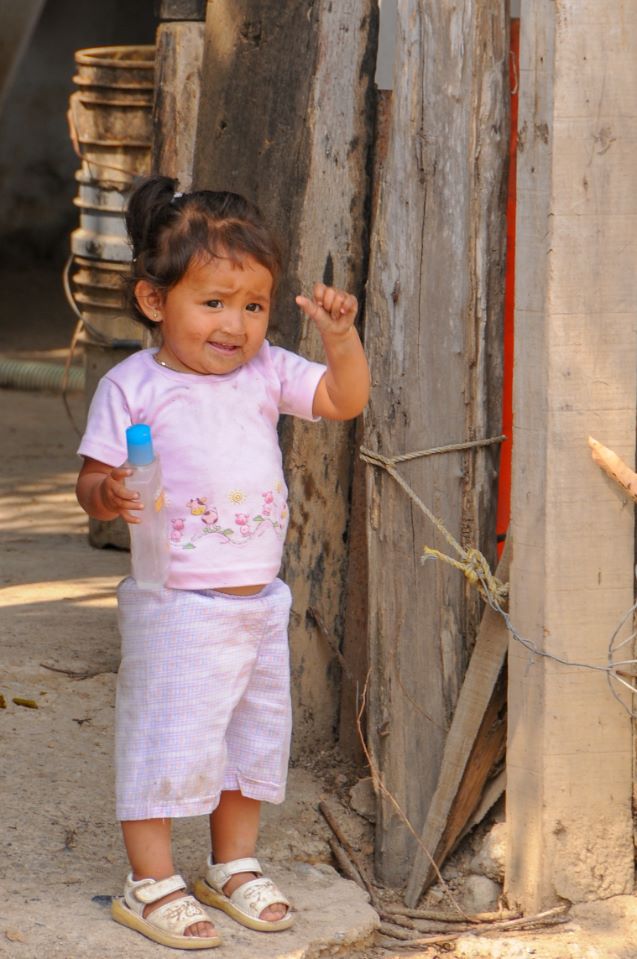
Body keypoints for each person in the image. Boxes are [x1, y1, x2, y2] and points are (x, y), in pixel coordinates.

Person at [75, 175, 370, 950]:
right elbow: (89, 485)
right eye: (212, 302)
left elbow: (343, 401)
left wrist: (339, 340)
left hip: (257, 599)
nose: (235, 325)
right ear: (153, 301)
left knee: (250, 740)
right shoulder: (132, 386)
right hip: (174, 601)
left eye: (252, 305)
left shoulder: (267, 370)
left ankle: (231, 863)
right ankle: (150, 880)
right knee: (166, 736)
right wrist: (111, 490)